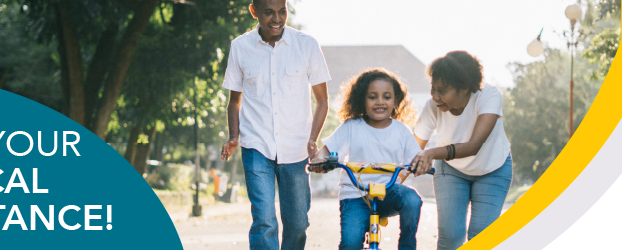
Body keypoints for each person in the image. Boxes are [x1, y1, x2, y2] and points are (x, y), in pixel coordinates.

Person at [219, 0, 331, 249]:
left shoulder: (306, 45)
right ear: (254, 11)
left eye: (282, 11)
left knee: (298, 223)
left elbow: (323, 101)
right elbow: (234, 102)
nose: (277, 19)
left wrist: (313, 139)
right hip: (256, 146)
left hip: (297, 148)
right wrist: (233, 136)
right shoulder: (240, 47)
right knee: (264, 220)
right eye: (269, 13)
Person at [309, 69, 422, 250]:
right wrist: (319, 162)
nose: (380, 102)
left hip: (388, 192)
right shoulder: (352, 127)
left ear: (395, 101)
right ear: (362, 99)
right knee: (350, 244)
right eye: (372, 97)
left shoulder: (401, 131)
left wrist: (421, 164)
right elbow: (325, 152)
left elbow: (416, 158)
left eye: (387, 97)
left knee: (412, 199)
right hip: (355, 194)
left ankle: (407, 247)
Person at [410, 51, 512, 250]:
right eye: (433, 88)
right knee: (451, 237)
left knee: (481, 236)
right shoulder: (432, 106)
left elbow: (474, 146)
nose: (435, 96)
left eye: (442, 90)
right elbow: (413, 153)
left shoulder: (489, 96)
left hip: (493, 169)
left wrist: (431, 152)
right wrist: (389, 186)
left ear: (464, 88)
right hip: (451, 170)